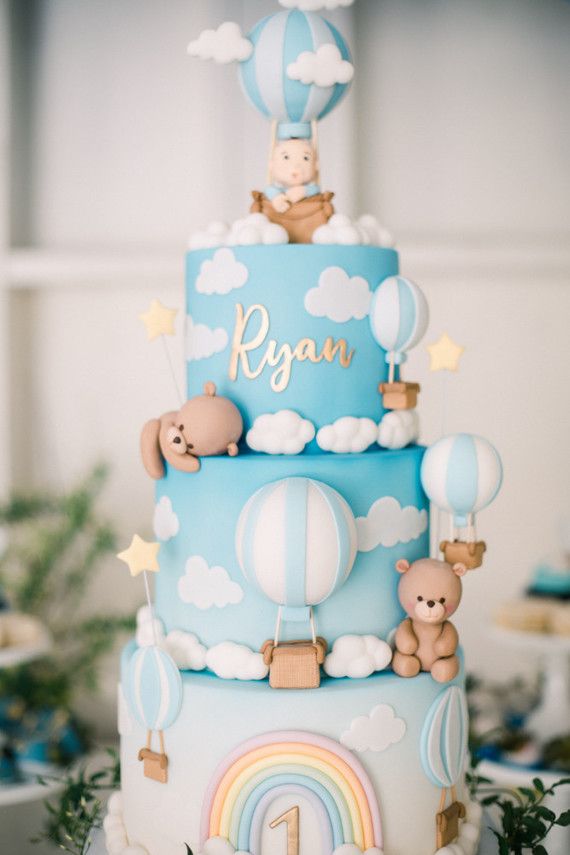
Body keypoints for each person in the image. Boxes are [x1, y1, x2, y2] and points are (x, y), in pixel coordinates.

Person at [265, 138, 320, 214]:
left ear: (316, 166)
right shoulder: (278, 187)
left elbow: (315, 189)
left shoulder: (310, 187)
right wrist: (277, 197)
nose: (295, 166)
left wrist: (304, 191)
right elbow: (269, 190)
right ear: (272, 165)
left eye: (305, 158)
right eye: (286, 157)